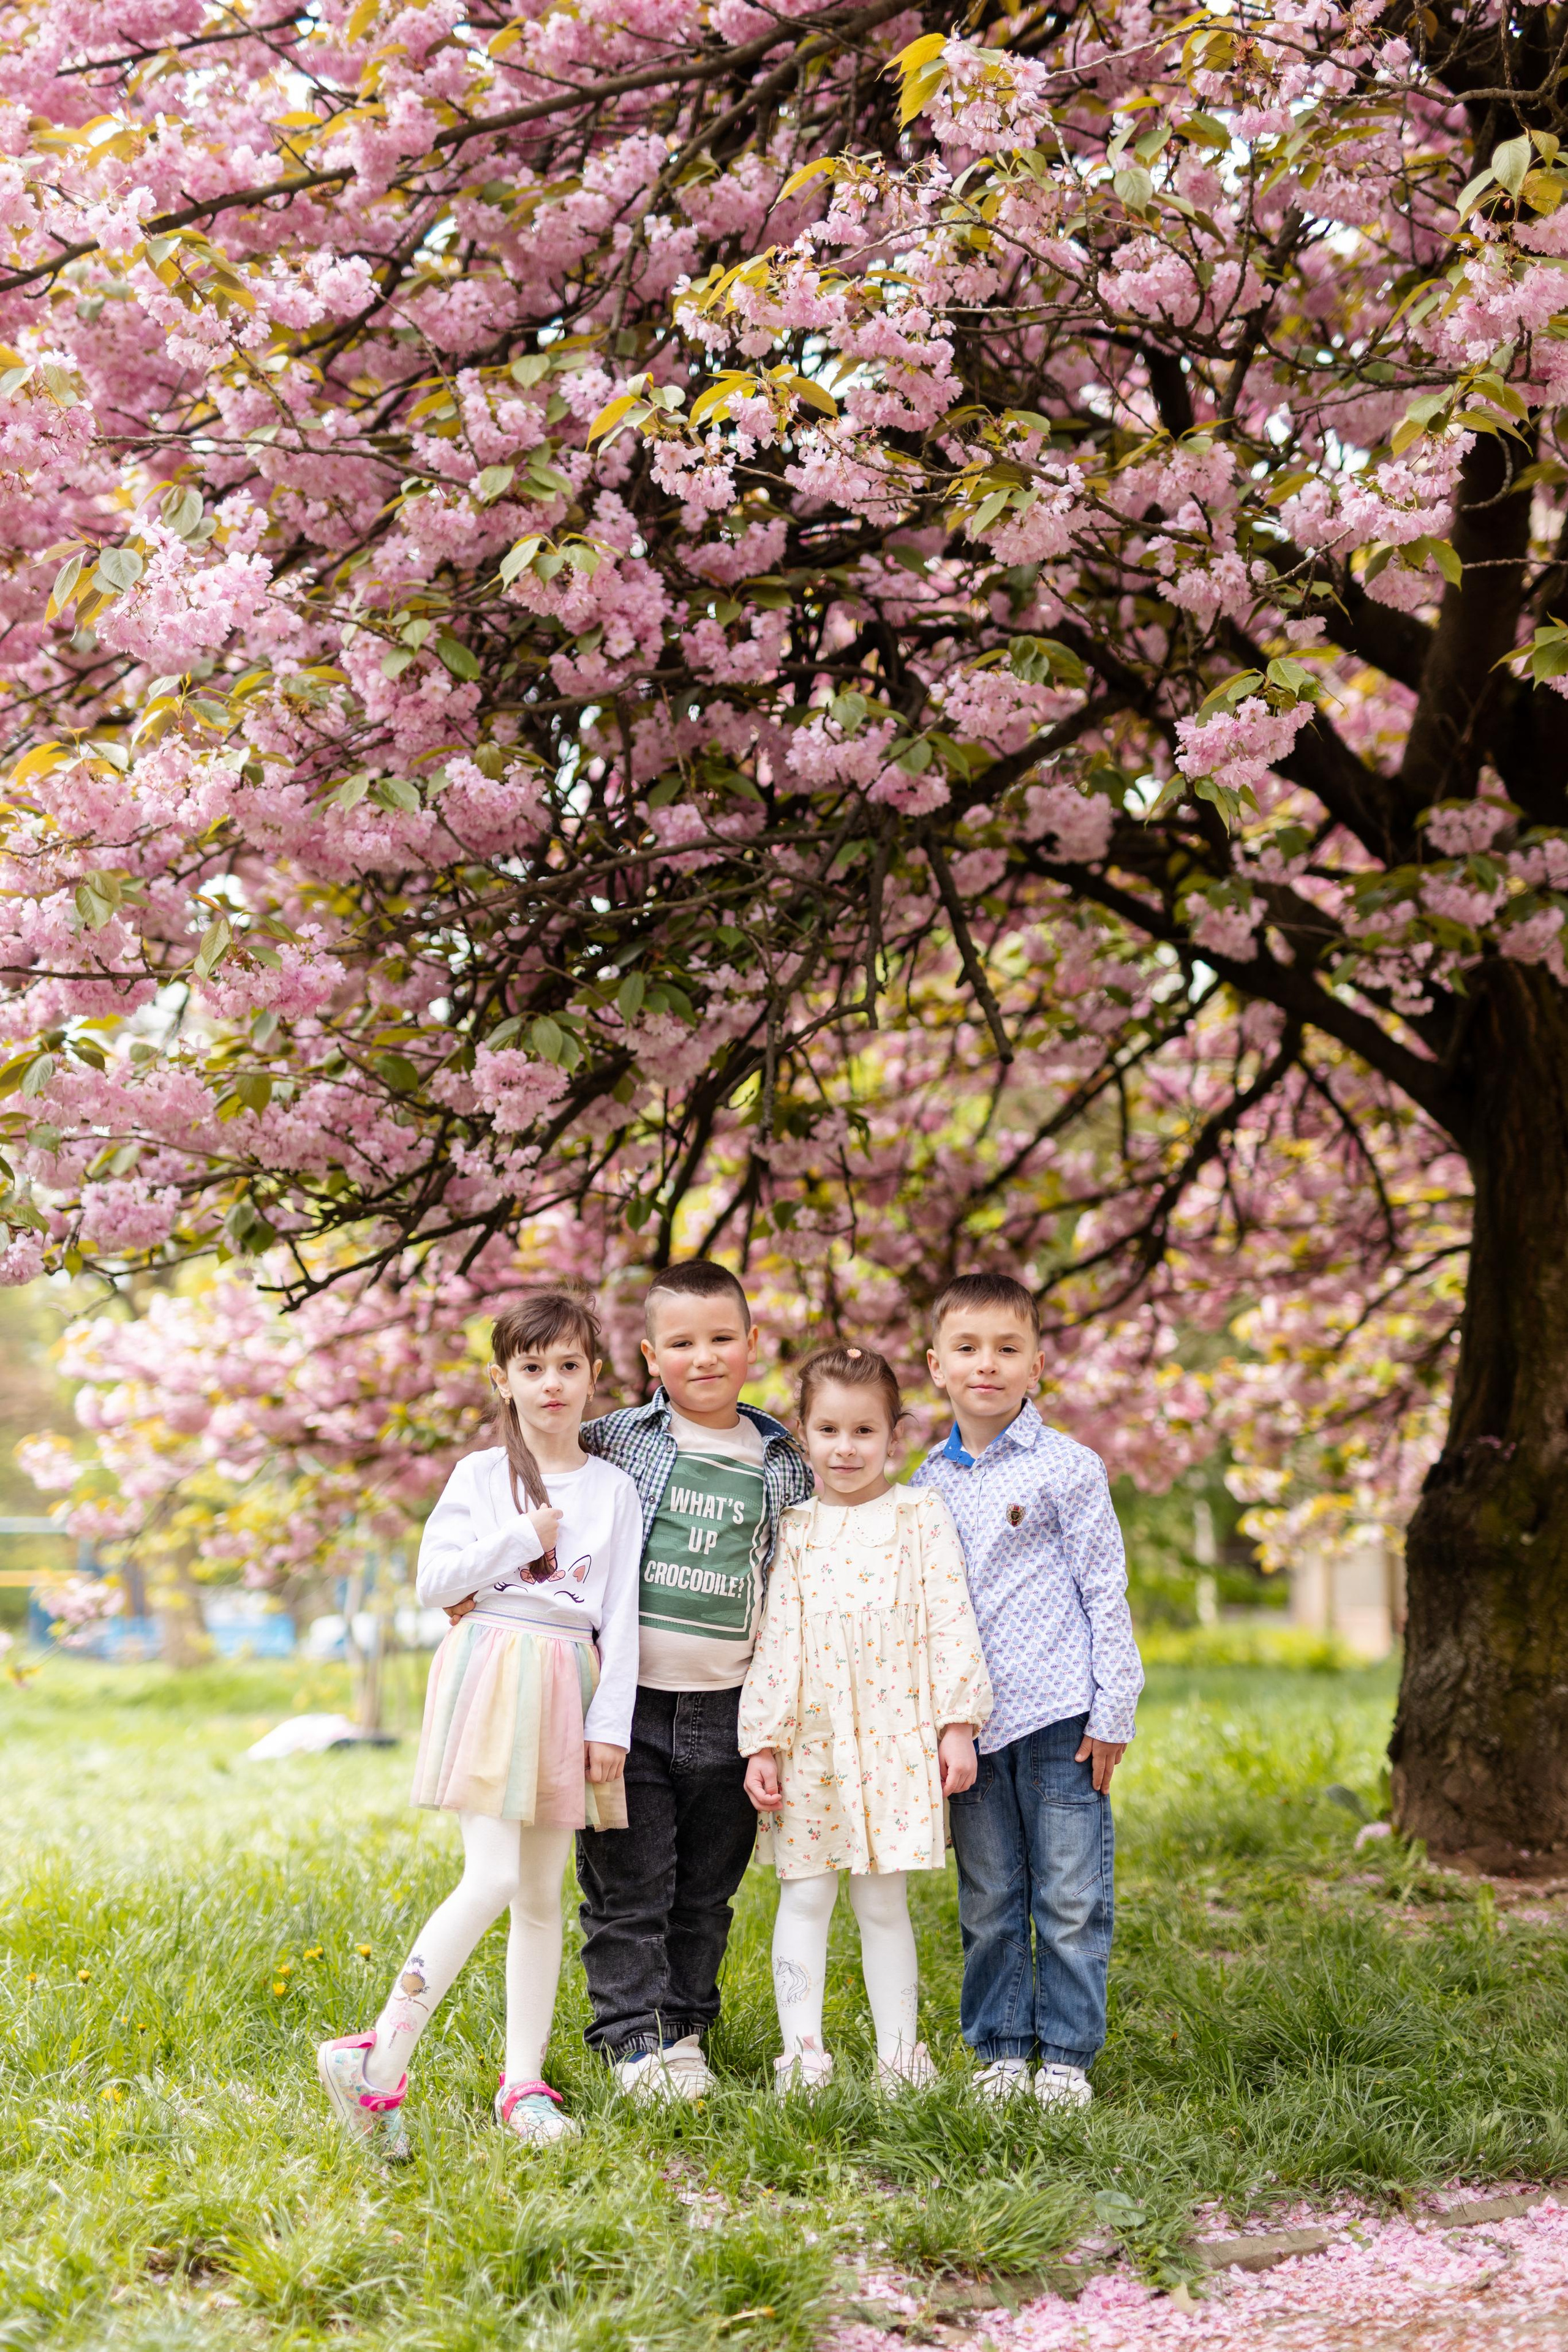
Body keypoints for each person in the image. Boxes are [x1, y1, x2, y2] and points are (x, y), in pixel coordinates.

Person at [317, 1291, 641, 2154]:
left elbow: (623, 1615)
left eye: (569, 1366)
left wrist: (612, 1723)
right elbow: (434, 1582)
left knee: (540, 1895)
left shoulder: (614, 1489)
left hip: (571, 1676)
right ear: (503, 1380)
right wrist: (519, 1538)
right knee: (493, 1875)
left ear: (593, 1375)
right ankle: (379, 2058)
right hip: (492, 1666)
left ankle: (523, 2083)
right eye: (532, 1370)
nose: (552, 1385)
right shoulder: (478, 1477)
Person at [573, 1259, 813, 2098]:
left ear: (753, 1344)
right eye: (682, 1343)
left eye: (721, 1338)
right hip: (626, 1706)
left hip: (733, 1707)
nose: (703, 1357)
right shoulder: (615, 1442)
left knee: (706, 1892)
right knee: (628, 1882)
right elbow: (537, 1471)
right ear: (650, 1356)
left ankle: (682, 2034)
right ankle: (630, 2040)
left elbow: (796, 1580)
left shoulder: (785, 1459)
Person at [911, 1272, 1143, 2110]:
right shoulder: (924, 1486)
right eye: (967, 1349)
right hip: (970, 1731)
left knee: (1073, 1895)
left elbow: (1103, 1590)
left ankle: (1068, 2059)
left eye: (1008, 1349)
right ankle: (1003, 2048)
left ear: (1037, 1365)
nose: (987, 1365)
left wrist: (1112, 1707)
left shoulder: (1068, 1469)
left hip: (1061, 1721)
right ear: (936, 1365)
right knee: (991, 1896)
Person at [739, 1345, 993, 2092]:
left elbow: (951, 1618)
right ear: (803, 1435)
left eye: (863, 1432)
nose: (844, 1449)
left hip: (894, 1736)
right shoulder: (794, 1528)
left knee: (883, 1899)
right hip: (811, 1742)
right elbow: (777, 1636)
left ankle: (900, 2055)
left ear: (894, 1435)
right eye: (827, 1431)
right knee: (806, 1892)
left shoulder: (919, 1516)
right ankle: (804, 2053)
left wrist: (957, 1723)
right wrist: (763, 1740)